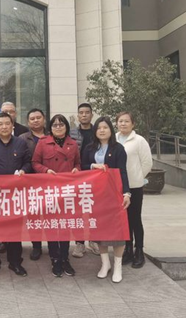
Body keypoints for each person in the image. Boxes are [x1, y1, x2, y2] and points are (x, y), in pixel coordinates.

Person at [81, 117, 131, 283]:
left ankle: (118, 266)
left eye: (105, 127)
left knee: (117, 230)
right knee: (100, 229)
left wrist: (127, 193)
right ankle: (105, 264)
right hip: (96, 194)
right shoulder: (89, 148)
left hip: (114, 193)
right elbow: (82, 166)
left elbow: (122, 171)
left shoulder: (118, 148)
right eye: (99, 128)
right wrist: (92, 166)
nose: (102, 130)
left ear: (111, 130)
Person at [0, 112, 31, 278]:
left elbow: (28, 162)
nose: (4, 127)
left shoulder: (20, 143)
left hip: (15, 194)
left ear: (12, 126)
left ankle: (15, 262)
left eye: (7, 124)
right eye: (0, 124)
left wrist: (23, 170)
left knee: (15, 230)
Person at [32, 114, 80, 277]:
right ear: (50, 128)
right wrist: (46, 170)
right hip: (49, 189)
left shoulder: (73, 144)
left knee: (65, 225)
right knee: (52, 225)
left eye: (61, 124)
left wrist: (77, 169)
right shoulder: (43, 142)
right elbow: (35, 163)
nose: (58, 127)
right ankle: (55, 258)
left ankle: (65, 258)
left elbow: (78, 163)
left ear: (66, 127)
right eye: (55, 125)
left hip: (67, 190)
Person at [116, 111, 153, 269]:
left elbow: (147, 163)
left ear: (133, 124)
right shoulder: (114, 139)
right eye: (120, 121)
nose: (123, 124)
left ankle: (139, 251)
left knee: (135, 218)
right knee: (124, 220)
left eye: (126, 121)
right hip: (118, 187)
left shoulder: (139, 140)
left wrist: (137, 177)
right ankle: (128, 249)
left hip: (134, 187)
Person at [69, 103, 100, 257]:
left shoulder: (98, 131)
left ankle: (94, 241)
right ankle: (79, 243)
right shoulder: (71, 133)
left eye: (87, 112)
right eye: (81, 112)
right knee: (77, 211)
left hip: (95, 176)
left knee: (94, 210)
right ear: (78, 115)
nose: (84, 115)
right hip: (77, 176)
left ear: (92, 115)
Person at [19, 108, 48, 261]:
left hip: (50, 182)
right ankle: (36, 246)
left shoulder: (53, 135)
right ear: (28, 122)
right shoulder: (22, 138)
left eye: (38, 117)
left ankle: (53, 244)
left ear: (44, 119)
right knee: (34, 216)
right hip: (30, 183)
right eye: (32, 118)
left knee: (51, 214)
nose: (36, 120)